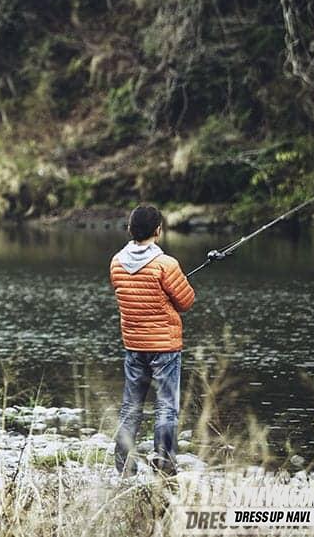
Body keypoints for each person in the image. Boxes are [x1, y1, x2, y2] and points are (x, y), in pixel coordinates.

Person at [110, 204, 195, 476]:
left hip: (134, 345)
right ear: (158, 230)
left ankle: (123, 466)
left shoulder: (116, 262)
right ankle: (165, 466)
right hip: (164, 347)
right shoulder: (166, 265)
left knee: (130, 407)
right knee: (166, 409)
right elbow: (186, 301)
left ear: (130, 230)